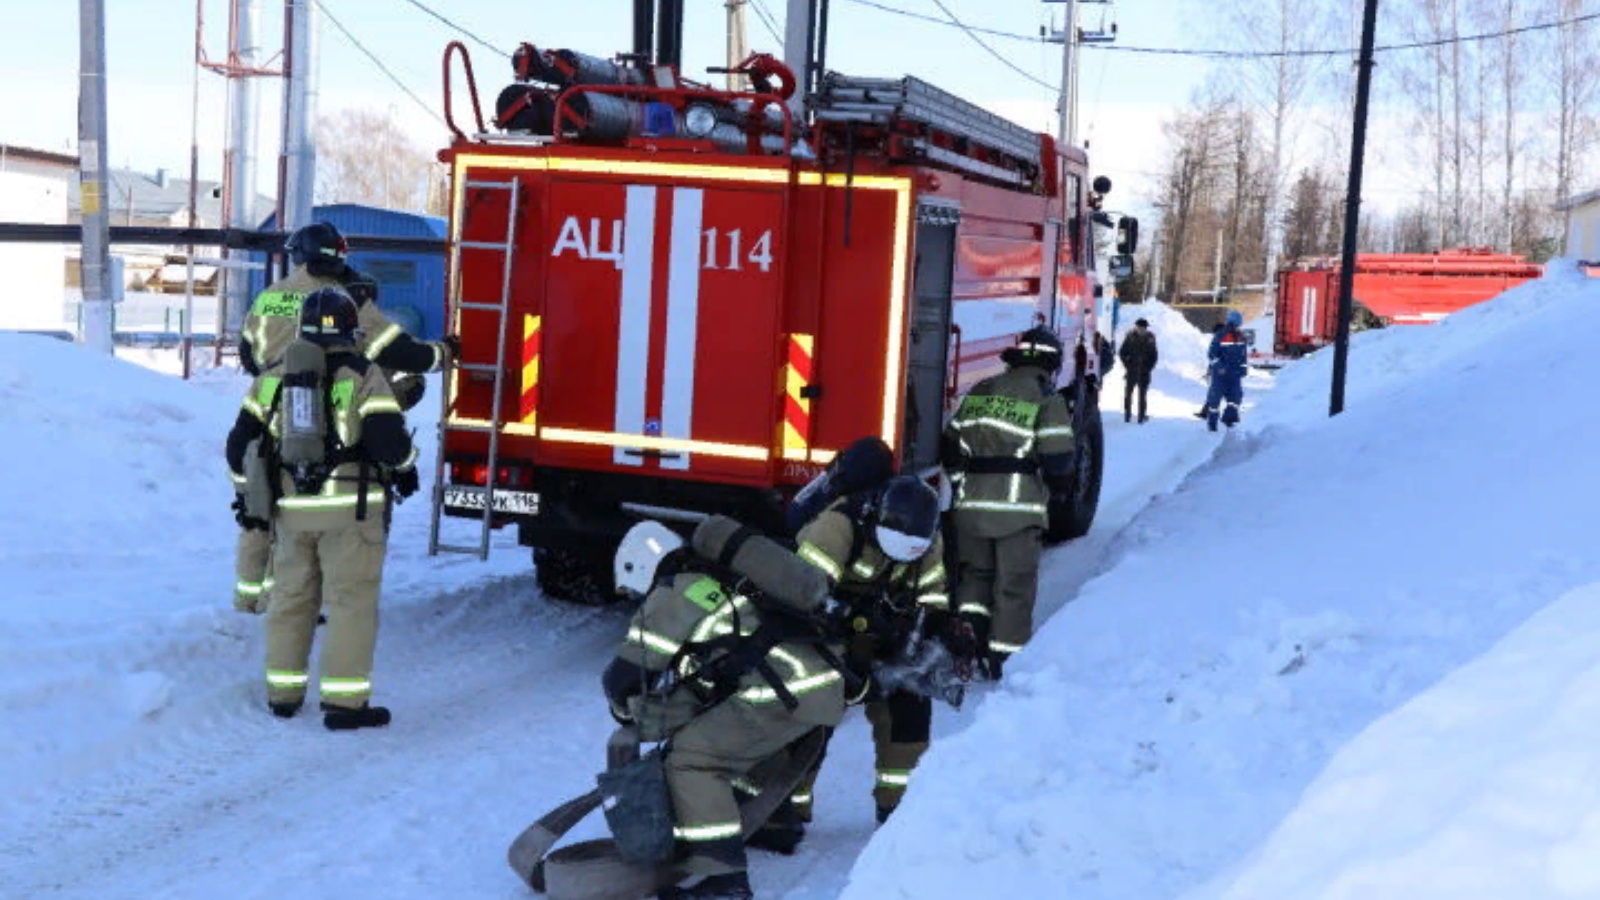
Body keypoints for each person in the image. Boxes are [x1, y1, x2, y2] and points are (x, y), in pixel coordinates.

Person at [603, 517, 854, 900]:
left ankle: (722, 878)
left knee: (691, 759)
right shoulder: (718, 578)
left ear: (640, 569)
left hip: (785, 691)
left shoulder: (674, 592)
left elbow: (622, 676)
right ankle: (774, 822)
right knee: (729, 737)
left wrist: (624, 711)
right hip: (818, 683)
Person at [230, 224, 452, 613]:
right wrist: (444, 353)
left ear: (298, 254)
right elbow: (401, 353)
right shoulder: (344, 301)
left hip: (273, 412)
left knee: (264, 504)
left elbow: (248, 356)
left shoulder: (269, 297)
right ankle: (320, 598)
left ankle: (263, 597)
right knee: (330, 512)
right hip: (336, 416)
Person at [225, 287, 420, 730]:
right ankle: (345, 704)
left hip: (292, 514)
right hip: (351, 514)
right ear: (351, 329)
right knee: (350, 604)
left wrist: (251, 496)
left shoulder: (272, 377)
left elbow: (238, 447)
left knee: (291, 602)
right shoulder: (364, 376)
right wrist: (407, 467)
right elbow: (390, 443)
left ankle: (283, 694)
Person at [790, 476, 972, 826]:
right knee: (813, 711)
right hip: (821, 635)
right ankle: (785, 810)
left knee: (911, 709)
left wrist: (943, 628)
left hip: (882, 633)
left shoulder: (927, 540)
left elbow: (932, 596)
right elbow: (801, 598)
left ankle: (899, 811)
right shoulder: (836, 528)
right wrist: (848, 634)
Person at [942, 326, 1075, 680]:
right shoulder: (1047, 398)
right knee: (1013, 587)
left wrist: (961, 487)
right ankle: (1005, 661)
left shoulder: (981, 391)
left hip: (970, 510)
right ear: (1052, 363)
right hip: (1018, 513)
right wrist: (1052, 493)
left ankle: (970, 647)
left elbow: (950, 448)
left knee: (974, 581)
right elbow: (1059, 461)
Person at [1200, 310, 1249, 432]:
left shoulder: (1241, 337)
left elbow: (1243, 355)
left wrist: (1243, 368)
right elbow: (1212, 354)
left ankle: (1229, 420)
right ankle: (1212, 425)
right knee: (1214, 401)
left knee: (1235, 398)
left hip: (1234, 375)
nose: (1235, 327)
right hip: (1220, 376)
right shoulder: (1220, 335)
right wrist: (1219, 367)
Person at [1118, 318, 1158, 424]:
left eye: (1143, 328)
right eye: (1139, 327)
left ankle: (1141, 416)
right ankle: (1127, 415)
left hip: (1144, 371)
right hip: (1132, 370)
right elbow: (1122, 352)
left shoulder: (1150, 338)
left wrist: (1148, 368)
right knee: (1128, 394)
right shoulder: (1130, 336)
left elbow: (1154, 356)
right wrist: (1128, 365)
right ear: (1136, 327)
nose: (1141, 330)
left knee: (1142, 395)